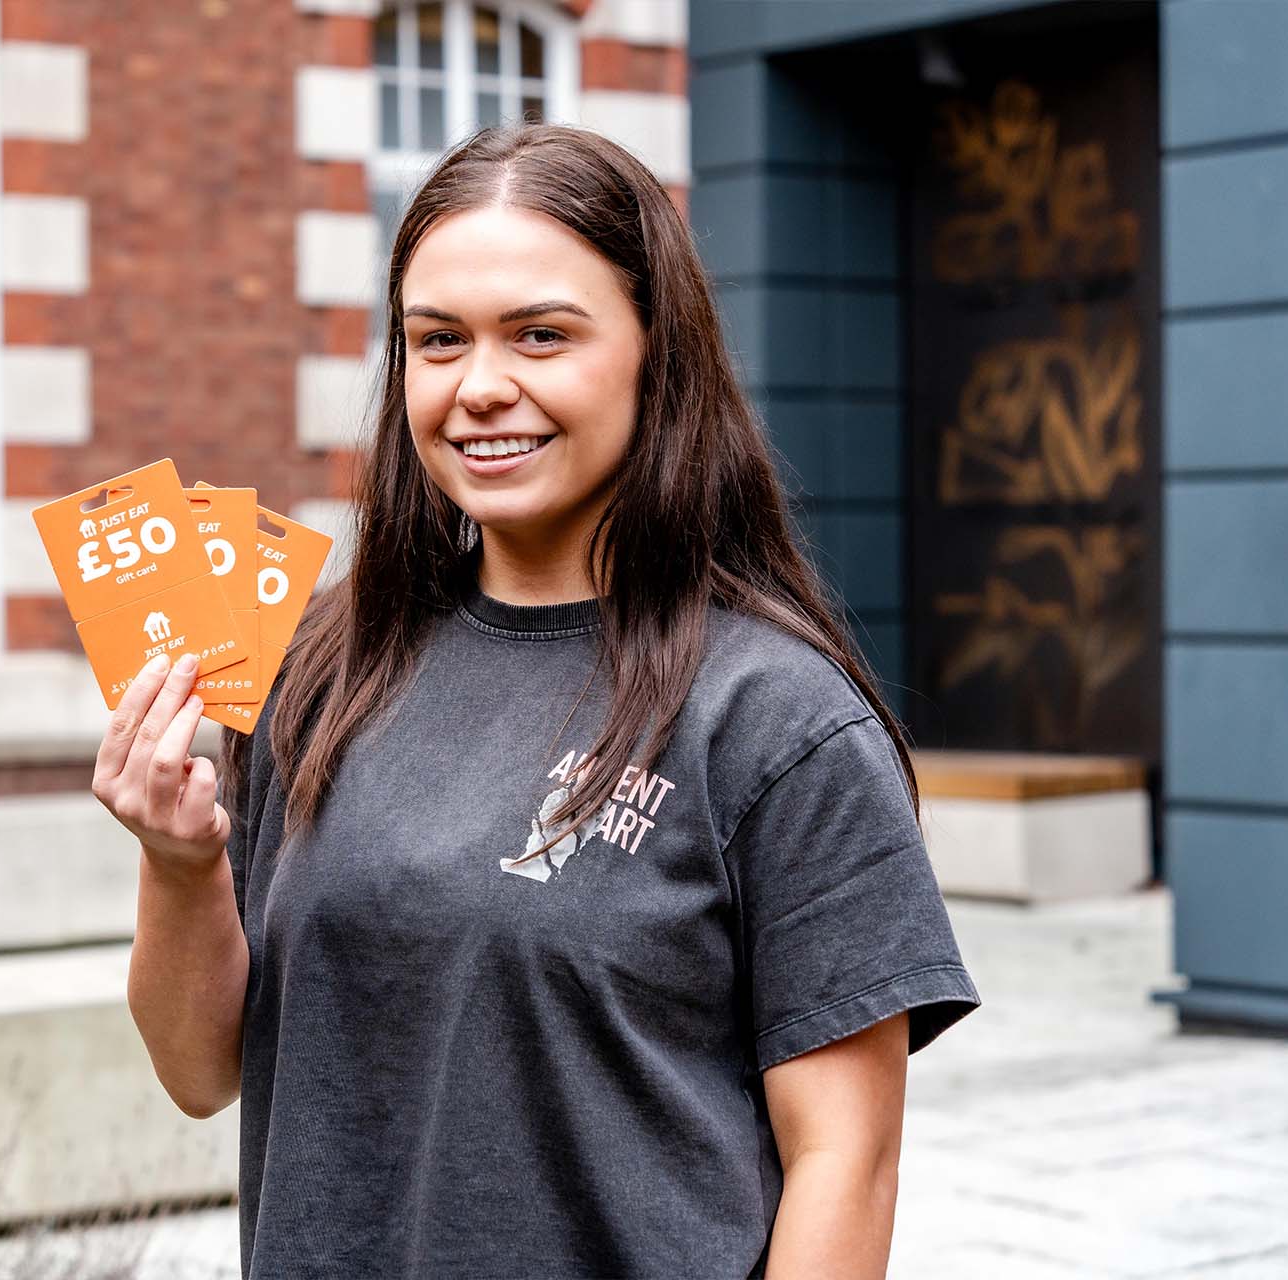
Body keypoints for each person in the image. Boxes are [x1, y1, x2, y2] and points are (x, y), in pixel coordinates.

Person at [101, 122, 982, 1279]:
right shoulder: (319, 666)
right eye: (437, 341)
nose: (480, 389)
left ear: (655, 352)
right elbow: (202, 1068)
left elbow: (847, 1162)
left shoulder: (777, 722)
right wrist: (178, 865)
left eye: (541, 335)